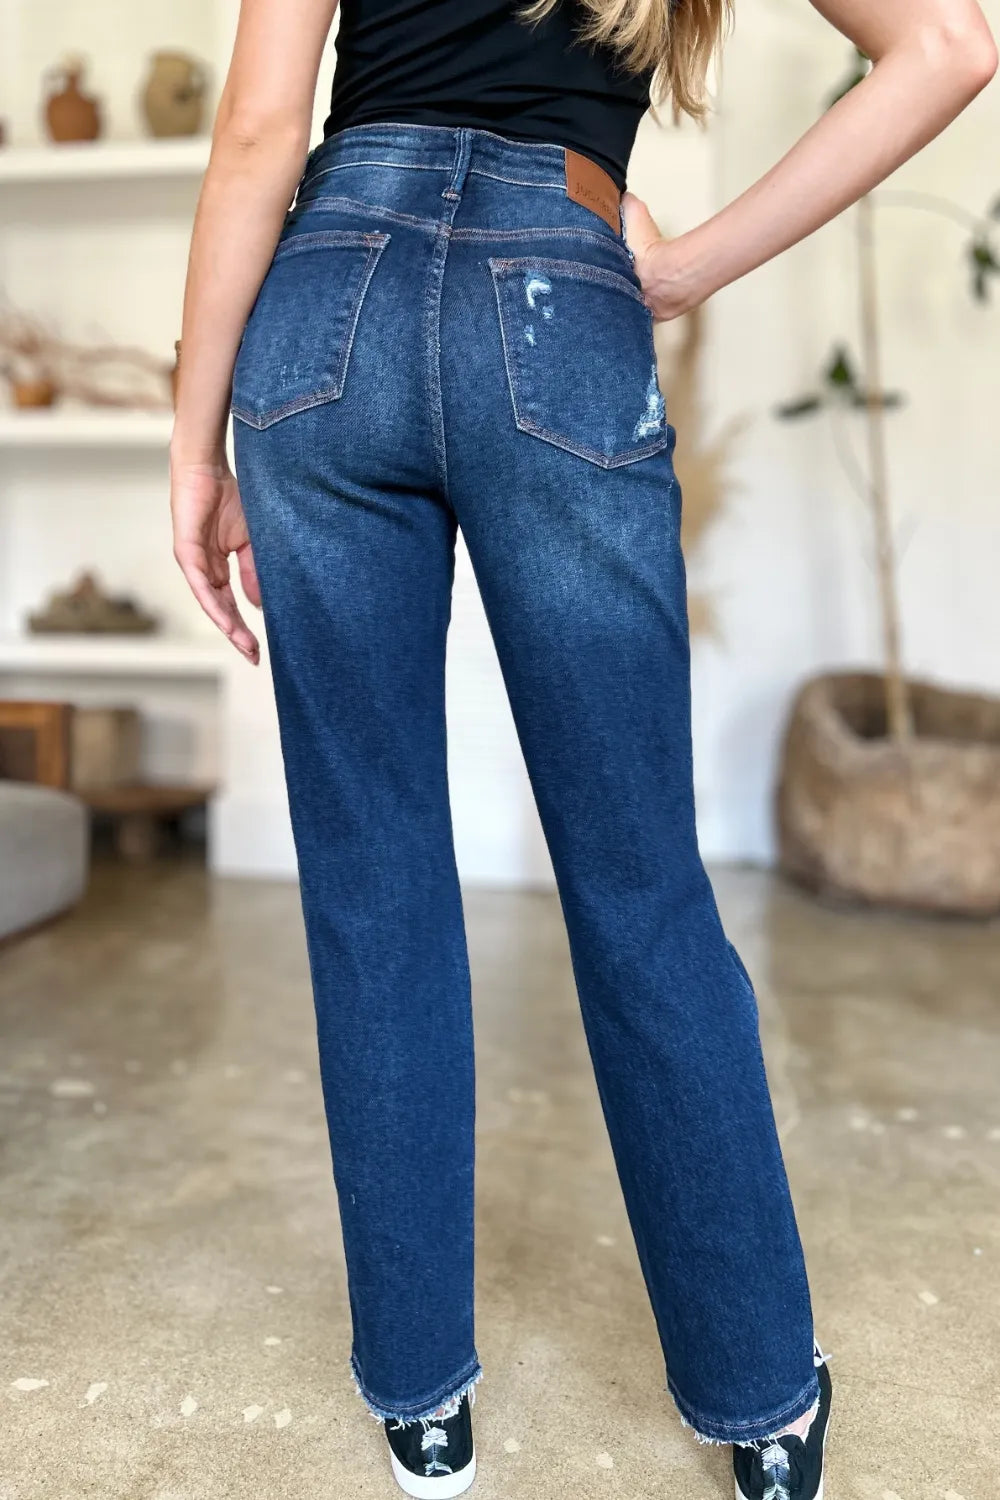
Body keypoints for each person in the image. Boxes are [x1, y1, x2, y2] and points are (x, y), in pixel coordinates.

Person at [170, 1, 996, 1496]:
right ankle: (759, 1402)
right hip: (555, 295)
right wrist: (681, 266)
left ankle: (422, 1404)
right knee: (639, 885)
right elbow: (950, 43)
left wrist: (190, 438)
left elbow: (254, 136)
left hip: (324, 304)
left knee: (372, 882)